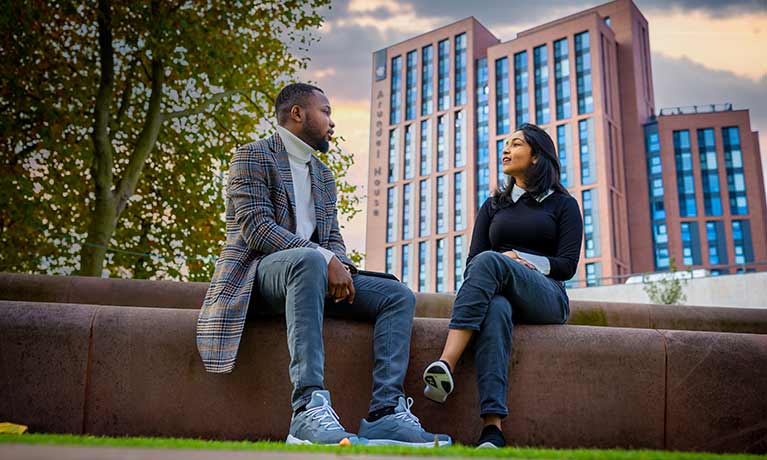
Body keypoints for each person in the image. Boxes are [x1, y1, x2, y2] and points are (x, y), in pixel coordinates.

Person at [197, 83, 450, 447]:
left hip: (313, 277)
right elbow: (257, 230)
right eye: (326, 111)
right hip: (260, 279)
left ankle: (385, 415)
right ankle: (307, 409)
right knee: (308, 261)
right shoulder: (252, 156)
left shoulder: (323, 175)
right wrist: (324, 258)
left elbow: (332, 241)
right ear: (298, 114)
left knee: (396, 295)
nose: (332, 122)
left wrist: (338, 263)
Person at [422, 123, 583, 448]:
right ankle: (492, 429)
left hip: (548, 296)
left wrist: (518, 259)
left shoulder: (563, 205)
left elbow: (566, 266)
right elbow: (473, 263)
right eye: (505, 144)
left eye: (516, 144)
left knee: (493, 261)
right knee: (495, 309)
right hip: (498, 294)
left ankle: (447, 362)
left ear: (537, 156)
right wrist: (503, 264)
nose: (505, 150)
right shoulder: (494, 204)